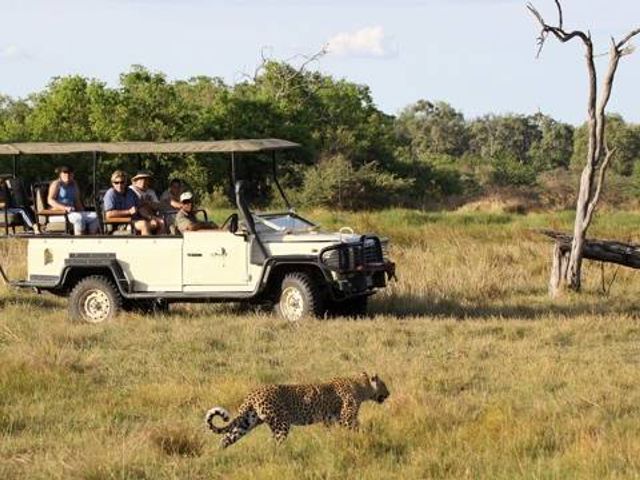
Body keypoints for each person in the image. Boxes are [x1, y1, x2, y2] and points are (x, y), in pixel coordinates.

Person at [47, 165, 99, 235]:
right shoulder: (56, 184)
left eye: (69, 173)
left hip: (72, 213)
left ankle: (91, 238)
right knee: (78, 218)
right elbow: (50, 200)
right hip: (58, 214)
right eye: (65, 173)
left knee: (95, 216)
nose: (67, 175)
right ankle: (79, 241)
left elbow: (77, 201)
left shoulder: (74, 184)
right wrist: (65, 208)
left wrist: (84, 213)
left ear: (73, 174)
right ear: (60, 174)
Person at [129, 171, 165, 235]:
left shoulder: (151, 192)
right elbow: (136, 207)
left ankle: (159, 243)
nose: (143, 182)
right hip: (135, 219)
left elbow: (157, 206)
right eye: (140, 179)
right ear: (135, 181)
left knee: (162, 222)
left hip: (149, 216)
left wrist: (148, 202)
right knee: (145, 224)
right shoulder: (131, 191)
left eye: (146, 179)